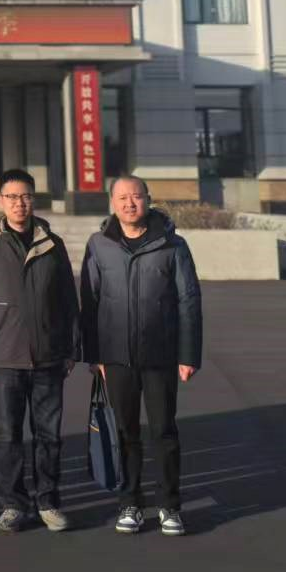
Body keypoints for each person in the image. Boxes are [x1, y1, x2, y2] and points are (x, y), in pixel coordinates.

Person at [79, 175, 203, 538]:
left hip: (160, 355)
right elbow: (90, 301)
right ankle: (129, 503)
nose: (129, 203)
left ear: (148, 199)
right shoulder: (99, 244)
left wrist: (188, 354)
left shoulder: (172, 244)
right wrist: (93, 354)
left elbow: (189, 300)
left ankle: (170, 506)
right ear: (112, 202)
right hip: (116, 357)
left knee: (164, 431)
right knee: (125, 433)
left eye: (136, 196)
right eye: (122, 197)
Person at [0, 168, 80, 534]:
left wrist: (71, 348)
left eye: (26, 196)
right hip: (5, 357)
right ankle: (13, 504)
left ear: (34, 199)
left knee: (49, 436)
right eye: (12, 197)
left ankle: (48, 501)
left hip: (49, 357)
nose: (20, 203)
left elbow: (68, 301)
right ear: (1, 201)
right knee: (8, 435)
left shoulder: (52, 244)